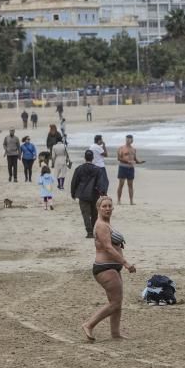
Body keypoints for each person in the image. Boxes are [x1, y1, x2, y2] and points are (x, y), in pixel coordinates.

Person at [82, 196, 136, 342]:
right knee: (115, 303)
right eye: (104, 206)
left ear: (113, 208)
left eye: (109, 206)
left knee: (116, 301)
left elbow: (114, 245)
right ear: (98, 208)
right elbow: (107, 247)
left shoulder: (107, 224)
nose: (107, 209)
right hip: (104, 268)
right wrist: (126, 263)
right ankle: (89, 324)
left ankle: (115, 333)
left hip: (112, 267)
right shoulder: (101, 225)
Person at [71, 149, 108, 238]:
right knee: (94, 213)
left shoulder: (79, 169)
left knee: (85, 214)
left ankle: (89, 232)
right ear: (92, 158)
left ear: (85, 157)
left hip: (82, 194)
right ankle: (94, 231)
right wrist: (103, 193)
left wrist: (73, 193)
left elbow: (74, 182)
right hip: (94, 194)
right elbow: (101, 183)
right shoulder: (98, 170)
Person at [116, 134, 145, 205]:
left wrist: (139, 162)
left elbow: (134, 159)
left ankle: (131, 201)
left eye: (130, 139)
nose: (129, 140)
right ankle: (119, 200)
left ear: (132, 140)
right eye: (128, 139)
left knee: (130, 185)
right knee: (121, 184)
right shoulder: (121, 148)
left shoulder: (134, 149)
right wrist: (127, 161)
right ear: (126, 140)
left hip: (131, 168)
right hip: (123, 167)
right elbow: (119, 158)